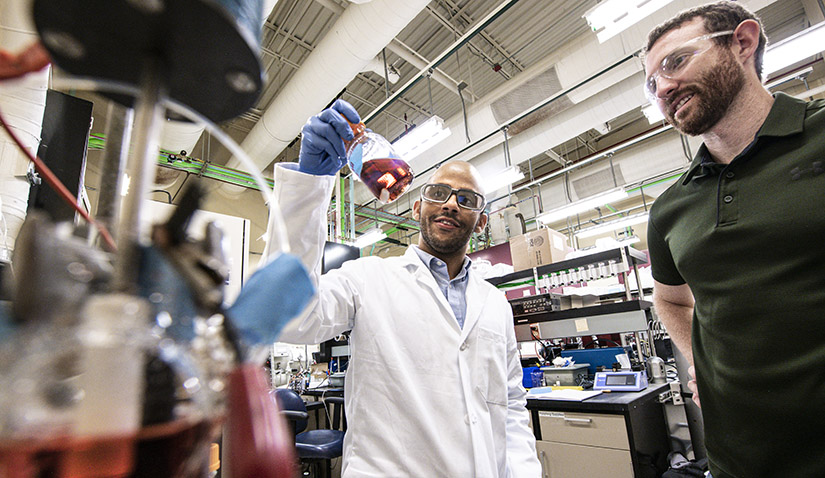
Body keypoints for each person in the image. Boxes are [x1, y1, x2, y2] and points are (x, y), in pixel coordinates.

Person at [273, 99, 542, 477]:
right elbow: (288, 317)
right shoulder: (366, 279)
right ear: (417, 208)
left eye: (466, 200)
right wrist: (307, 185)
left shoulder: (495, 304)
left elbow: (511, 403)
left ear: (481, 222)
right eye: (438, 193)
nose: (450, 204)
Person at [643, 2, 825, 477]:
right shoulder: (669, 209)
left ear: (742, 43)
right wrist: (700, 362)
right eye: (652, 83)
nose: (662, 88)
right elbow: (669, 299)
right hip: (738, 462)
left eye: (675, 62)